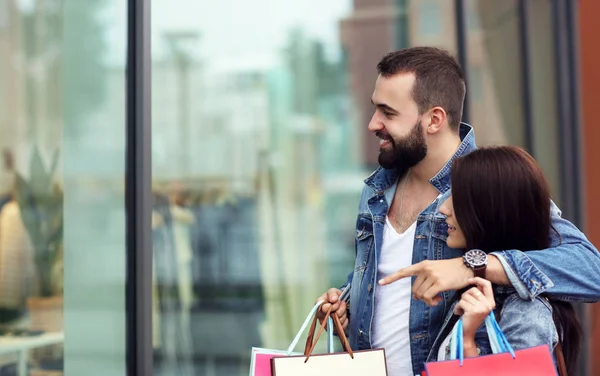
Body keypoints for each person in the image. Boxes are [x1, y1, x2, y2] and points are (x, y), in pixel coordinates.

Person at [316, 47, 600, 376]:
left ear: (434, 119)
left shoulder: (489, 186)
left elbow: (590, 270)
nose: (372, 124)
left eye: (388, 112)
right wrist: (345, 305)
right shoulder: (375, 190)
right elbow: (388, 290)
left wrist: (472, 268)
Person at [432, 146, 581, 376]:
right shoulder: (484, 292)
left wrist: (468, 344)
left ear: (490, 212)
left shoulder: (526, 313)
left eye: (458, 199)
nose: (443, 208)